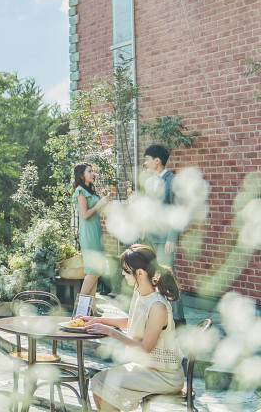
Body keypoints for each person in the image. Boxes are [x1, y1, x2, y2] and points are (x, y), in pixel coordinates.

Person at [83, 244, 184, 412]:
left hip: (164, 376)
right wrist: (97, 320)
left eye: (126, 270)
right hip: (148, 369)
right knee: (98, 380)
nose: (122, 273)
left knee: (107, 384)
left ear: (140, 273)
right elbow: (134, 321)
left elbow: (145, 347)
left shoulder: (157, 305)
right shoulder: (140, 292)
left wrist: (109, 331)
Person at [141, 144, 186, 325]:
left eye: (147, 159)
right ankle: (159, 318)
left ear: (157, 161)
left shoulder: (172, 181)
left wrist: (171, 237)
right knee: (151, 278)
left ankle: (179, 320)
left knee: (167, 278)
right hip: (149, 237)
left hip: (164, 239)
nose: (145, 163)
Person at [73, 163, 110, 316]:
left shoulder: (90, 191)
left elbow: (95, 212)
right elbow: (85, 214)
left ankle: (91, 308)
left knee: (96, 270)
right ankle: (80, 308)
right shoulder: (80, 191)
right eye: (89, 171)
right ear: (81, 175)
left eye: (92, 171)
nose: (92, 173)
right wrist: (99, 204)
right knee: (92, 271)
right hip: (88, 233)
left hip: (96, 231)